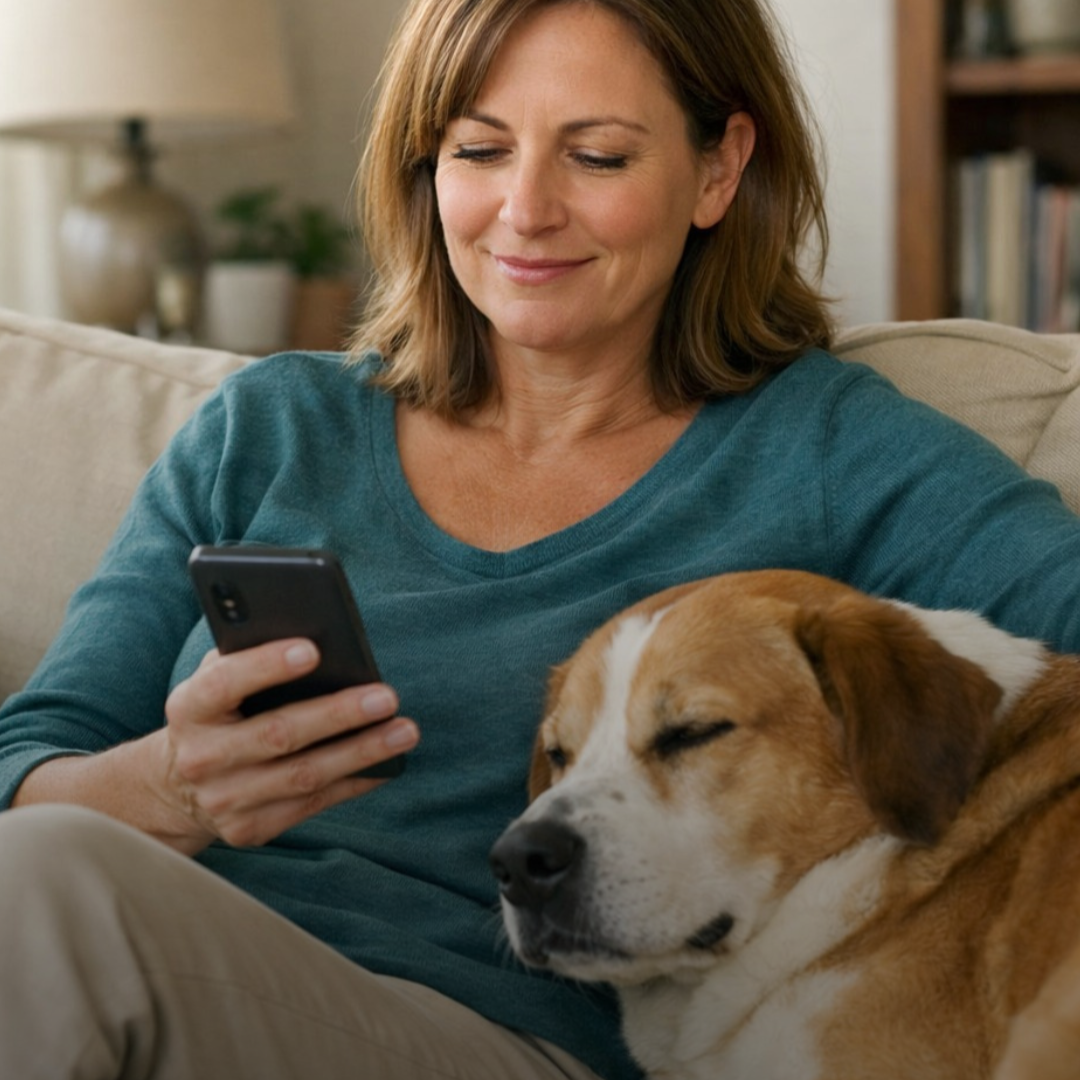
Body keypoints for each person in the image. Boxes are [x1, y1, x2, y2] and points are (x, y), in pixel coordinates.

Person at [1, 0, 1079, 1077]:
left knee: (44, 889)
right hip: (143, 963)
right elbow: (30, 760)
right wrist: (172, 789)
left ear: (718, 170)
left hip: (481, 1030)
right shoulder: (269, 429)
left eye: (598, 155)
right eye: (478, 149)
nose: (525, 209)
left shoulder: (835, 451)